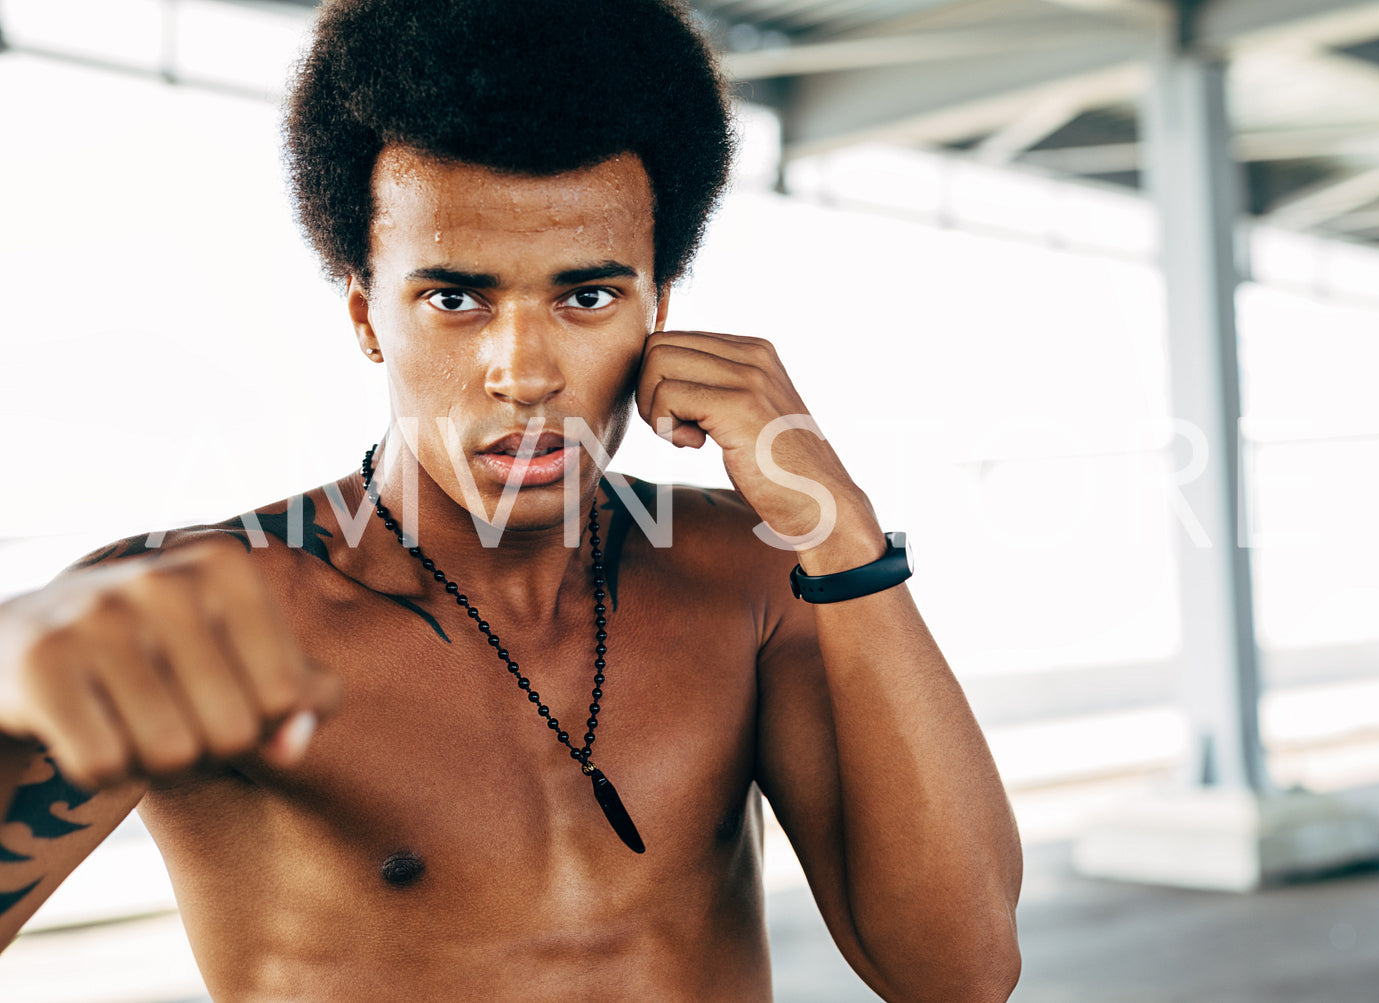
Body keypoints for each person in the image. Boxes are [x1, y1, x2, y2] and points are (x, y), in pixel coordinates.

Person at [0, 0, 1022, 998]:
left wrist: (839, 528)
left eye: (585, 297)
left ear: (656, 310)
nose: (523, 371)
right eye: (455, 298)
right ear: (367, 314)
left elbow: (958, 974)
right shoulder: (203, 607)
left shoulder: (753, 577)